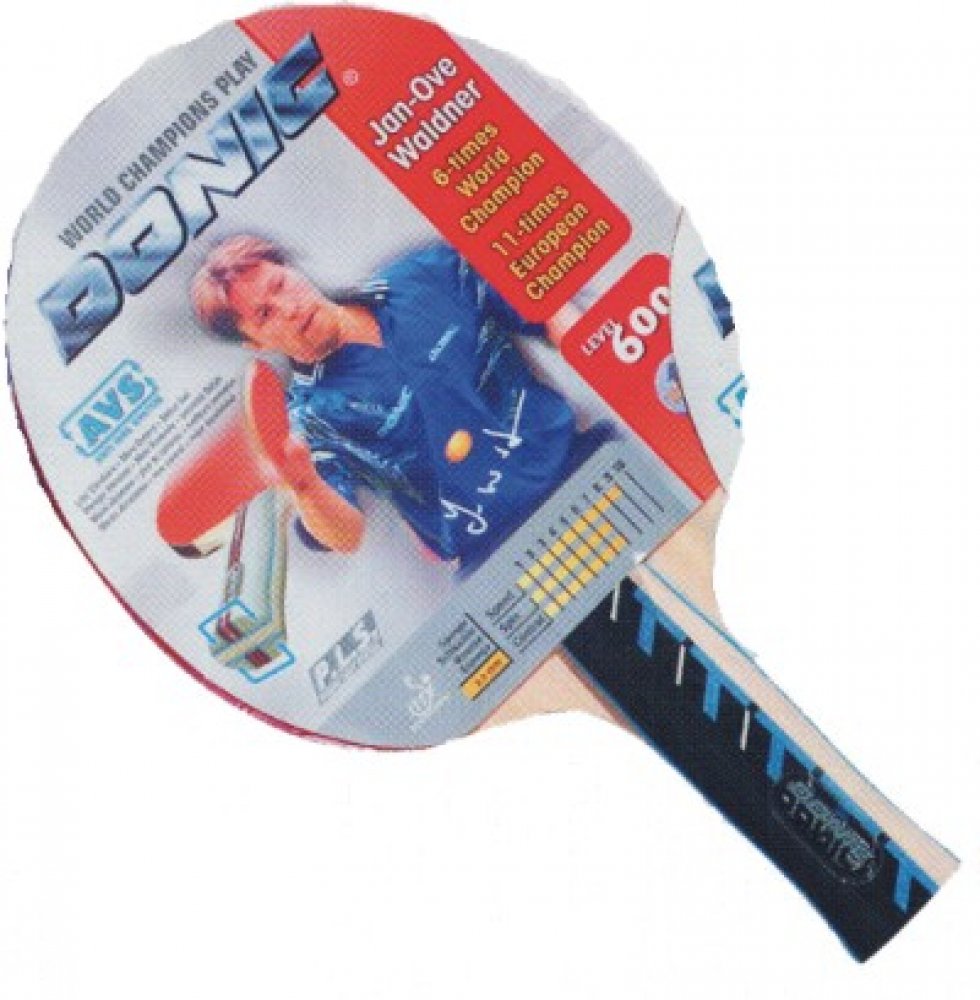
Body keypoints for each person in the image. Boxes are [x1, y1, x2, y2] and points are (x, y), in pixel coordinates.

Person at [191, 236, 612, 571]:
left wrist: (606, 360)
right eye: (264, 315)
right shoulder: (311, 418)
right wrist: (304, 485)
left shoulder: (429, 273)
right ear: (255, 343)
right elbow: (346, 536)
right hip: (497, 553)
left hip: (586, 466)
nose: (288, 308)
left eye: (280, 285)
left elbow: (547, 311)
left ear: (292, 269)